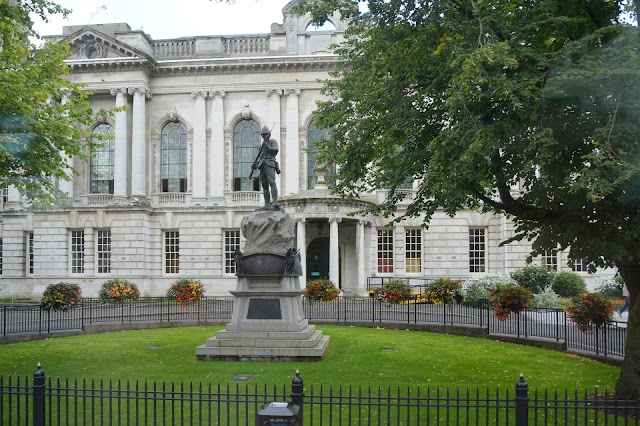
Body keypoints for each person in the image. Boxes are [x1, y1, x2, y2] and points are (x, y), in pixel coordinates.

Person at [252, 126, 280, 210]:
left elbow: (276, 150)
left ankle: (275, 202)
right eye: (263, 135)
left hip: (270, 164)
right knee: (264, 185)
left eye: (265, 134)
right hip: (262, 166)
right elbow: (260, 157)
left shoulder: (272, 142)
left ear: (269, 135)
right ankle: (266, 203)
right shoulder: (261, 146)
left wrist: (267, 147)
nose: (264, 136)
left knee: (272, 182)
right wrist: (255, 165)